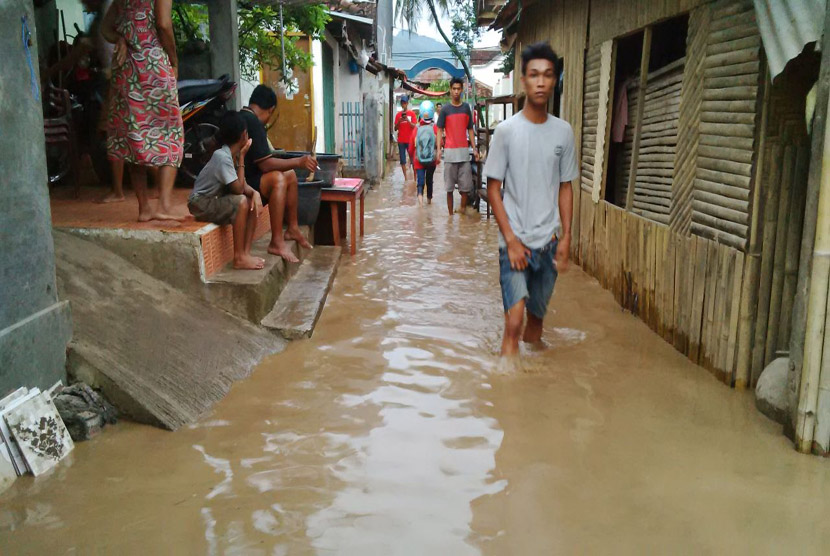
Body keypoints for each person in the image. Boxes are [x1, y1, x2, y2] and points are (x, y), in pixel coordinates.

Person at [483, 42, 579, 357]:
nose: (541, 82)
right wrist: (510, 239)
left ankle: (535, 388)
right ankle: (508, 396)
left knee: (535, 323)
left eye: (548, 75)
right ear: (522, 80)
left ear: (555, 81)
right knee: (514, 322)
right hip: (514, 242)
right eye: (534, 74)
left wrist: (566, 237)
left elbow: (566, 187)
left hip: (549, 240)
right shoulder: (506, 132)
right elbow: (493, 189)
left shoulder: (563, 133)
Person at [103, 0, 183, 221]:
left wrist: (120, 38)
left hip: (125, 68)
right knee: (172, 133)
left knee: (134, 137)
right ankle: (164, 205)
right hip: (152, 65)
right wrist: (174, 60)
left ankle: (145, 208)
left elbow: (105, 28)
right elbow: (164, 24)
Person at [239, 85, 316, 263]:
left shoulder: (244, 116)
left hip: (244, 177)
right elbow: (266, 165)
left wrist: (294, 165)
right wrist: (299, 162)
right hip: (241, 182)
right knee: (278, 180)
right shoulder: (253, 122)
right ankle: (276, 241)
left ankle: (293, 228)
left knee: (289, 174)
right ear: (270, 109)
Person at [188, 112, 265, 270]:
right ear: (244, 135)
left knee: (250, 202)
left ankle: (245, 253)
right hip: (200, 203)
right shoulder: (222, 156)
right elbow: (238, 190)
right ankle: (239, 257)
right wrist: (243, 157)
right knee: (241, 201)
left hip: (212, 201)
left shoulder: (229, 154)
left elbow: (240, 184)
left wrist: (255, 193)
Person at [437, 77, 479, 216]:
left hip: (464, 154)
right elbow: (439, 130)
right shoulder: (445, 110)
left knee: (465, 187)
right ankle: (450, 216)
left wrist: (475, 148)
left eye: (458, 89)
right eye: (453, 89)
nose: (456, 91)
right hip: (449, 154)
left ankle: (461, 209)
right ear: (450, 90)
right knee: (449, 188)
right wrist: (438, 150)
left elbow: (470, 130)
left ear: (461, 90)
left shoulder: (466, 108)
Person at [408, 101, 439, 207]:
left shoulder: (416, 128)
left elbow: (411, 146)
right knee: (429, 181)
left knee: (420, 182)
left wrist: (411, 158)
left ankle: (420, 205)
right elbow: (441, 143)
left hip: (418, 160)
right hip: (432, 160)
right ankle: (429, 201)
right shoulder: (434, 127)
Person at [394, 95, 417, 180]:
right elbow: (395, 128)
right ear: (401, 104)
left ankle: (415, 178)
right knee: (402, 160)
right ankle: (406, 178)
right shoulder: (398, 115)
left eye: (405, 103)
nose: (403, 104)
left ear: (407, 103)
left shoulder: (412, 114)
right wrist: (399, 121)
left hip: (410, 141)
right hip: (401, 141)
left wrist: (408, 120)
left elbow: (414, 126)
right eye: (402, 103)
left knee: (413, 160)